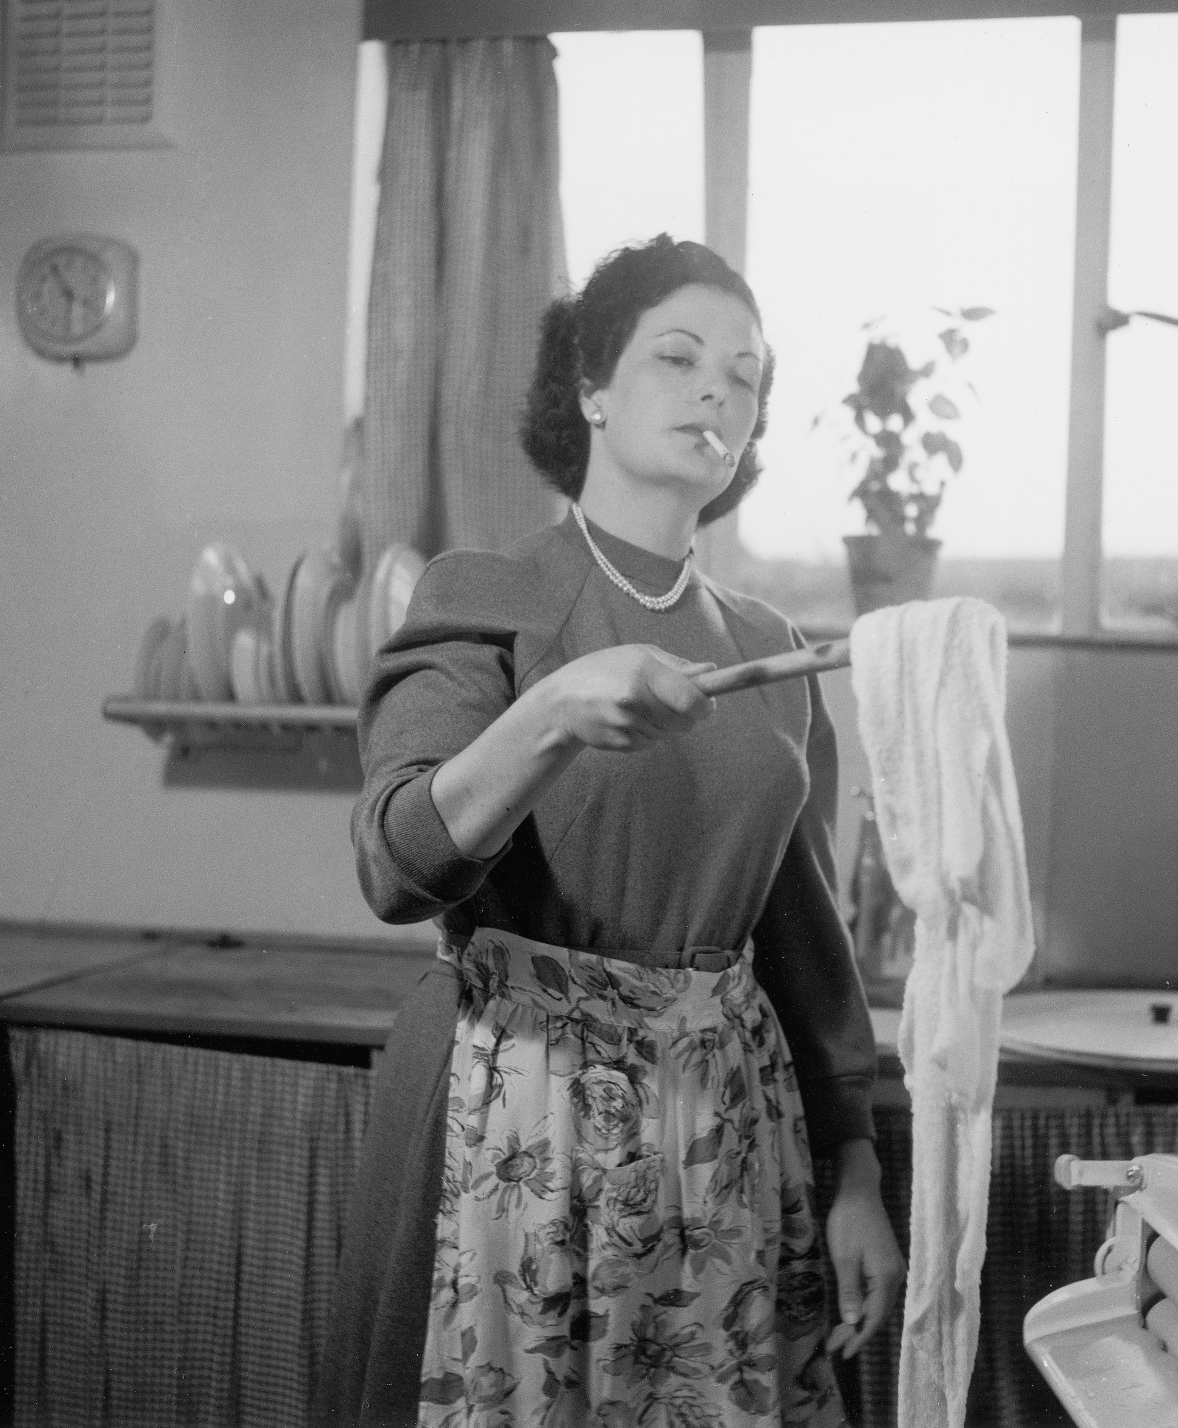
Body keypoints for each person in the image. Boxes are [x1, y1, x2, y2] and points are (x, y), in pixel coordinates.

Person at [318, 234, 904, 1428]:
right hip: (518, 1121)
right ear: (589, 387)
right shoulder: (490, 592)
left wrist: (855, 1169)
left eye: (745, 375)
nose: (716, 393)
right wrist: (551, 713)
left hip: (722, 1137)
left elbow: (806, 945)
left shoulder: (766, 650)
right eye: (678, 358)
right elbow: (394, 863)